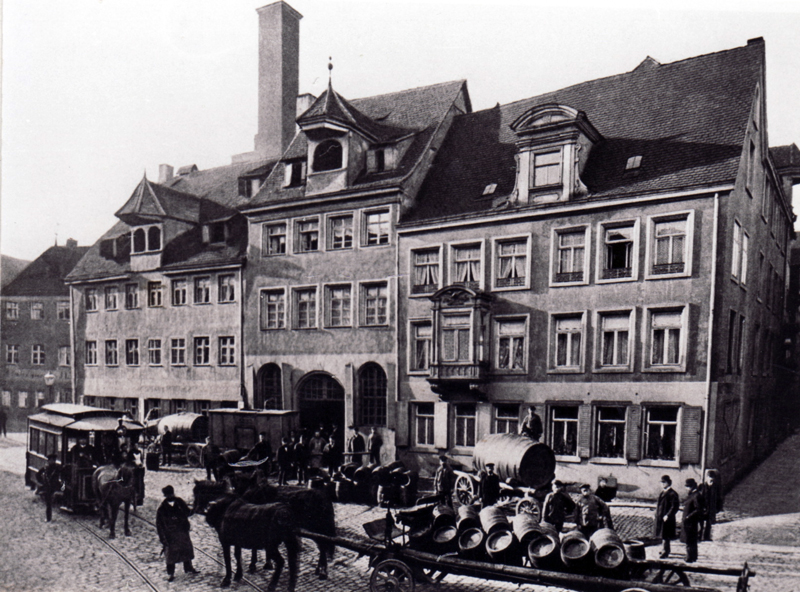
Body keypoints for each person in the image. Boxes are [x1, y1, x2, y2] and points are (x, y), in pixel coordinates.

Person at [156, 485, 199, 581]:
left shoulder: (179, 502)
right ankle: (170, 573)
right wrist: (163, 539)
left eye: (171, 494)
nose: (170, 496)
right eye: (168, 495)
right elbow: (159, 525)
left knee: (186, 549)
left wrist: (195, 508)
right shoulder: (162, 509)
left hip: (182, 531)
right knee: (170, 555)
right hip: (170, 535)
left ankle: (188, 568)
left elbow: (188, 512)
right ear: (165, 495)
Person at [654, 475, 680, 558]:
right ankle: (664, 549)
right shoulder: (662, 492)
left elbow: (674, 506)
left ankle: (666, 551)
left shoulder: (673, 494)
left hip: (667, 518)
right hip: (661, 517)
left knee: (666, 535)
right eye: (661, 482)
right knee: (663, 534)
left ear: (668, 483)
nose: (662, 484)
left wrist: (668, 515)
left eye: (664, 482)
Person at [681, 478, 704, 563]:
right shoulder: (692, 494)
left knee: (689, 539)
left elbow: (698, 509)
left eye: (687, 486)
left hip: (691, 522)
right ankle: (693, 556)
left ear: (691, 486)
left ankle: (690, 557)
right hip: (689, 521)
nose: (686, 488)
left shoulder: (696, 495)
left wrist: (688, 517)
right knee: (691, 539)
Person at [699, 469, 723, 541]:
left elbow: (719, 498)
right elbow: (698, 498)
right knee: (701, 523)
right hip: (703, 508)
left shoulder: (716, 488)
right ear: (706, 478)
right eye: (710, 480)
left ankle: (707, 537)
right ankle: (700, 536)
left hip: (711, 508)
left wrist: (718, 508)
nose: (711, 482)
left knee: (709, 524)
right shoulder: (701, 487)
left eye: (712, 480)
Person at [38, 454, 62, 522]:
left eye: (53, 460)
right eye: (51, 460)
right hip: (48, 487)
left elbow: (62, 474)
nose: (52, 461)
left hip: (54, 487)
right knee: (48, 504)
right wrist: (42, 482)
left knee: (50, 503)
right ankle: (48, 518)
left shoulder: (57, 468)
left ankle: (49, 518)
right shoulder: (46, 468)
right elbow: (38, 474)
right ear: (48, 461)